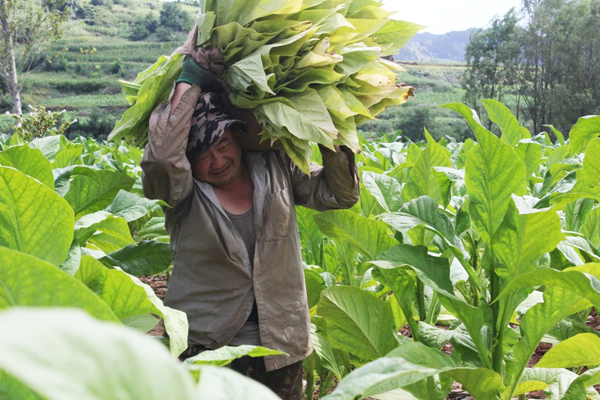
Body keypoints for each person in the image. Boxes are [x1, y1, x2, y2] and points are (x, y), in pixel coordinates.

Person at [140, 41, 360, 399]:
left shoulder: (276, 166)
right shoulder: (181, 194)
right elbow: (164, 155)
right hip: (208, 344)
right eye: (202, 156)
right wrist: (192, 75)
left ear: (237, 136)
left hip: (281, 341)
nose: (217, 161)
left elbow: (340, 194)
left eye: (222, 144)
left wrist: (327, 125)